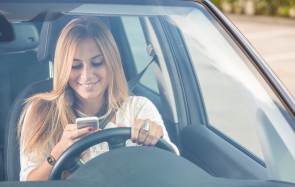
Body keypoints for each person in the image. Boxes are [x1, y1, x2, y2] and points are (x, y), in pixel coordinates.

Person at [18, 16, 178, 181]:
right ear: (63, 68)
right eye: (76, 66)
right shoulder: (41, 111)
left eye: (97, 63)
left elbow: (173, 169)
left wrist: (152, 137)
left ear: (111, 63)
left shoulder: (138, 108)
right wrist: (59, 150)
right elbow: (29, 182)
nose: (87, 75)